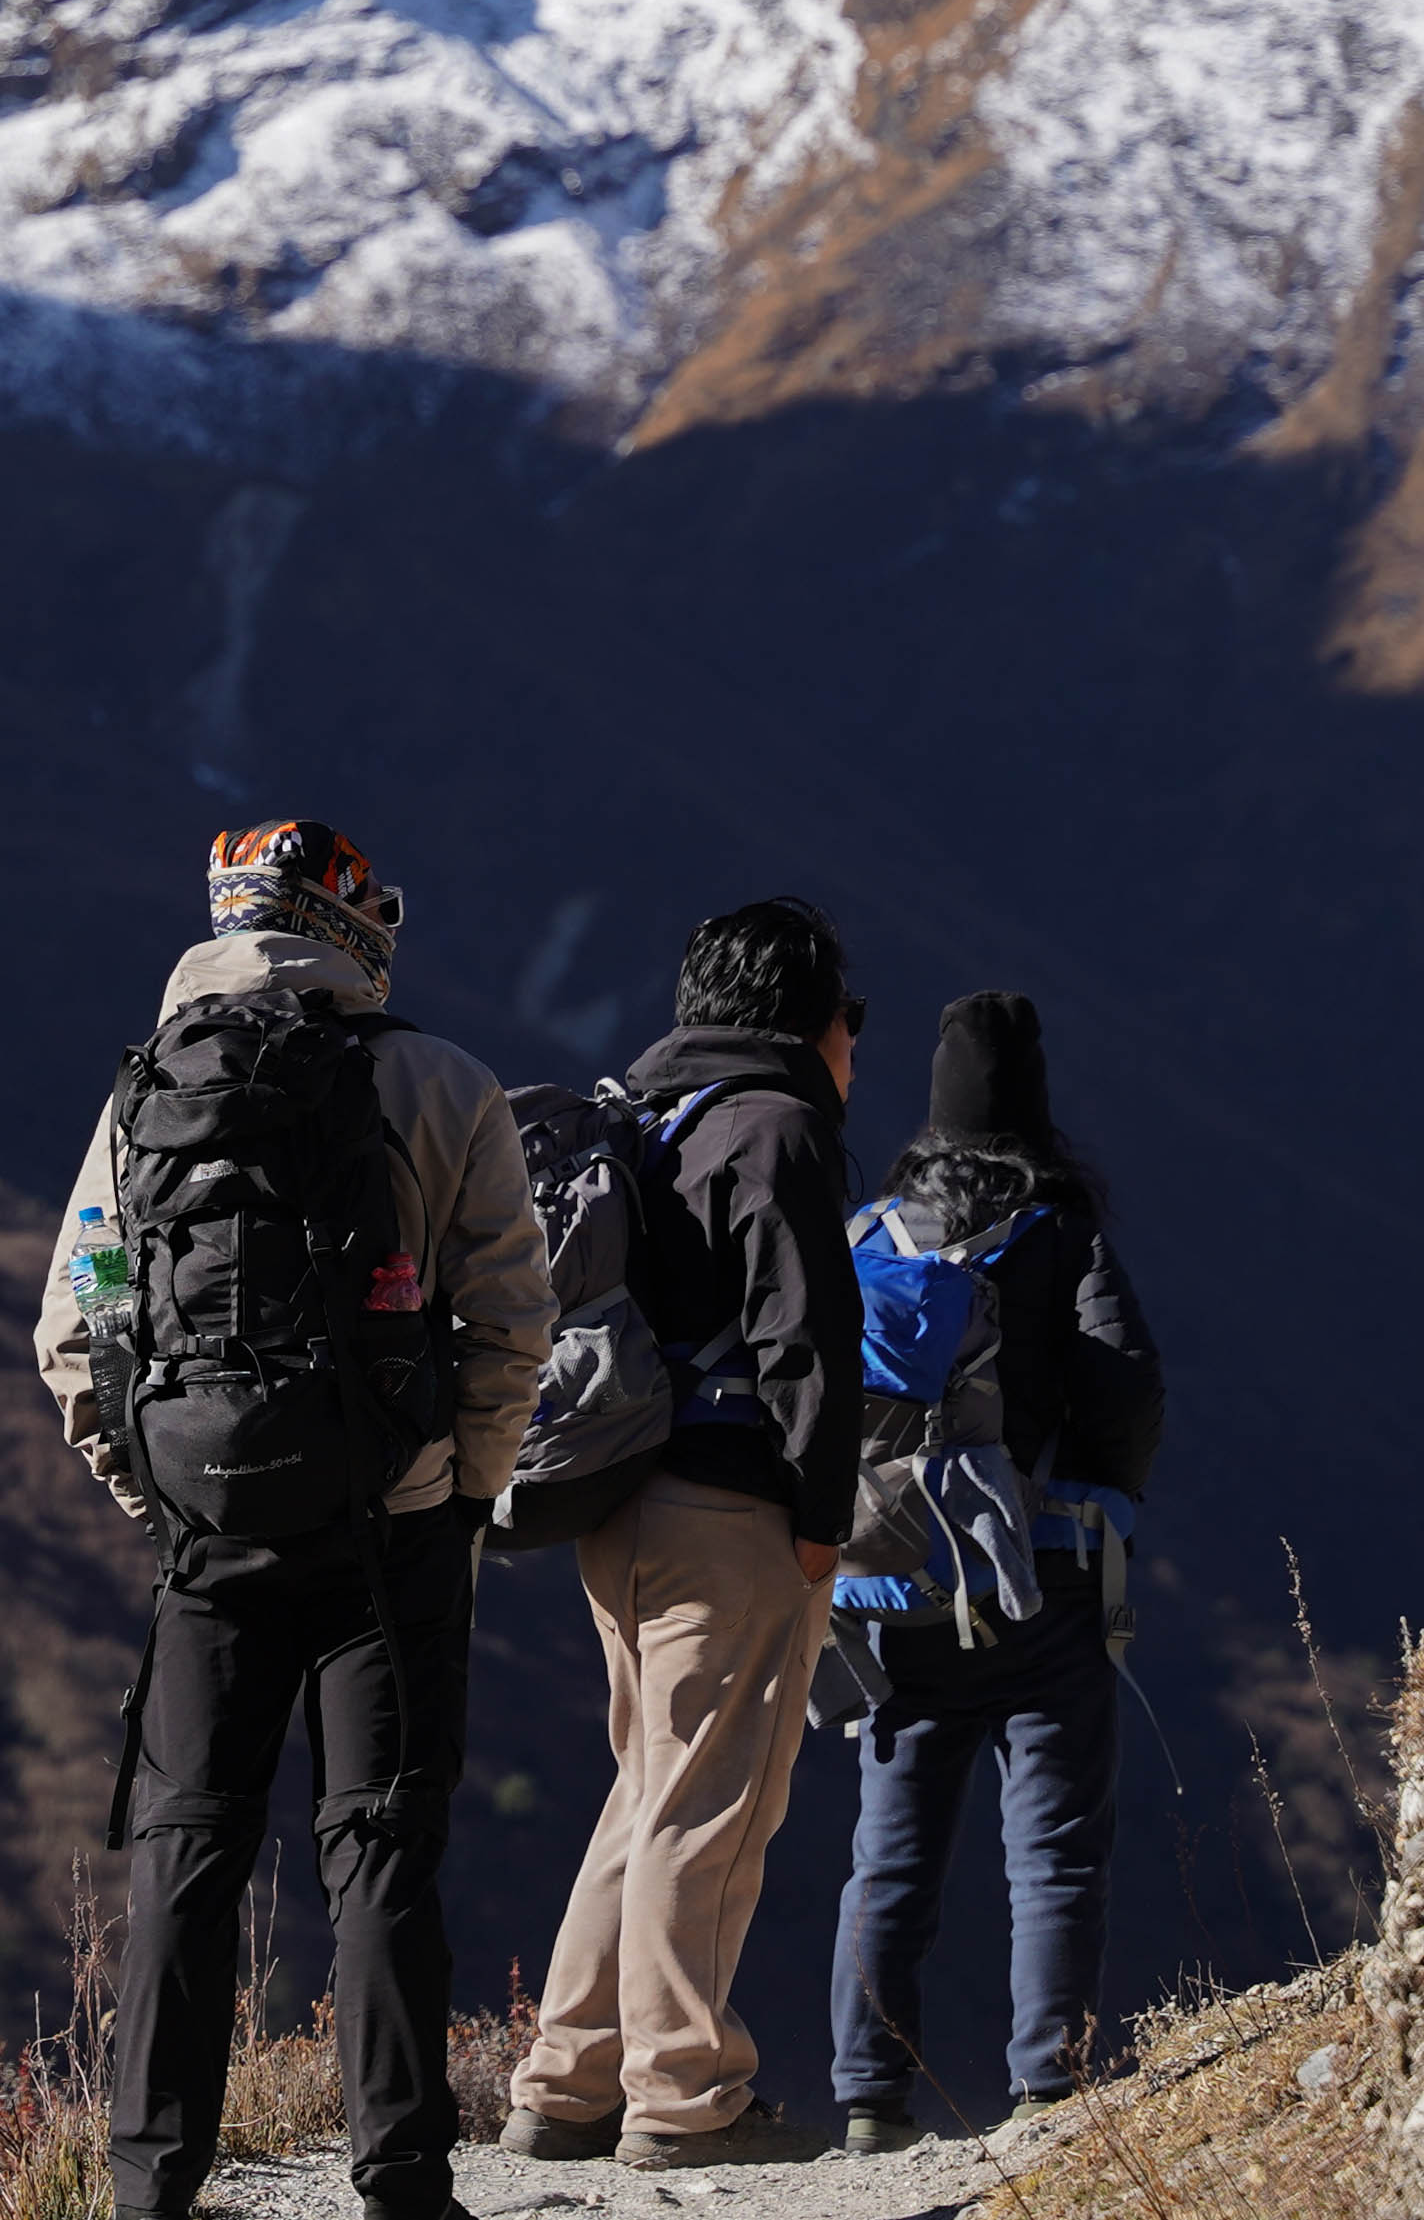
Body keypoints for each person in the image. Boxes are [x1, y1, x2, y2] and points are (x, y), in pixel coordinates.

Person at [36, 819, 554, 2220]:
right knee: (380, 1851)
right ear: (351, 929)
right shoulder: (444, 1084)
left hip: (207, 1545)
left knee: (187, 1848)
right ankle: (399, 2184)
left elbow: (72, 1332)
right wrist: (459, 1486)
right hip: (389, 1538)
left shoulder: (145, 1093)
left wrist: (162, 1489)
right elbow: (514, 1318)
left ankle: (150, 2188)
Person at [508, 896, 868, 2173]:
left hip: (616, 1500)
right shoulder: (777, 1130)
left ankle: (566, 2077)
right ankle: (685, 2094)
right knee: (709, 1806)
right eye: (850, 1017)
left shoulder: (645, 1118)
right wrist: (824, 1521)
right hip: (731, 1511)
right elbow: (810, 1344)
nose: (854, 1044)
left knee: (647, 1790)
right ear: (807, 1016)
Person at [823, 990, 1162, 2149]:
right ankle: (1045, 2089)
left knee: (890, 1856)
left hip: (889, 1582)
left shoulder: (866, 1232)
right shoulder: (1060, 1229)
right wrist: (1098, 1494)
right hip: (1041, 1578)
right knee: (1054, 1849)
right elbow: (1125, 1385)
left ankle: (869, 2096)